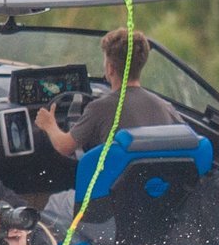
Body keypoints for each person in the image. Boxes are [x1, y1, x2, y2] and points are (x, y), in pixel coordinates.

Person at [34, 28, 179, 161]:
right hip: (156, 187)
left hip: (111, 189)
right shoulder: (166, 108)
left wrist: (49, 124)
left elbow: (65, 146)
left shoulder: (99, 108)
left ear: (110, 68)